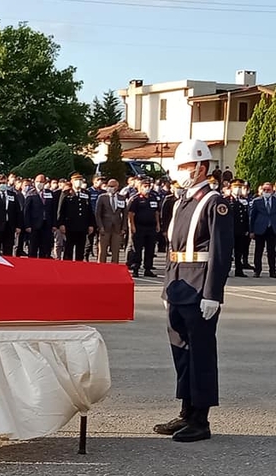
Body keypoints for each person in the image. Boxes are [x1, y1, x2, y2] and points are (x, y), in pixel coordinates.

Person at [156, 139, 232, 443]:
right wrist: (166, 288)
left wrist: (213, 294)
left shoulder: (214, 202)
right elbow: (172, 249)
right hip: (178, 286)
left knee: (200, 354)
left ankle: (201, 420)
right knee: (182, 353)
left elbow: (220, 251)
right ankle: (186, 412)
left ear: (201, 167)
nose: (180, 171)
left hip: (200, 287)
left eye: (184, 166)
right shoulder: (181, 201)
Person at [128, 178, 161, 278]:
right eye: (145, 186)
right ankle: (136, 268)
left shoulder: (153, 198)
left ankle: (148, 268)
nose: (147, 188)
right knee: (137, 249)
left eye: (148, 186)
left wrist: (158, 224)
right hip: (139, 227)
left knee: (150, 249)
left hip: (151, 227)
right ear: (140, 187)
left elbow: (156, 212)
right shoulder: (135, 199)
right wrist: (132, 226)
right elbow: (131, 214)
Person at [58, 173, 95, 262]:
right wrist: (61, 224)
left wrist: (91, 224)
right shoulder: (66, 193)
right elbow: (61, 210)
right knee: (68, 249)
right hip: (70, 226)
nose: (79, 182)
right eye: (76, 180)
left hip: (82, 226)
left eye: (80, 180)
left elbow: (89, 210)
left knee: (80, 250)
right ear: (72, 181)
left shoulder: (86, 193)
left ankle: (79, 267)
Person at [23, 174, 56, 259]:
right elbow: (26, 211)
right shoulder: (31, 193)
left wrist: (54, 224)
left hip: (47, 224)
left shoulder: (50, 193)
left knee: (45, 248)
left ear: (45, 182)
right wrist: (27, 225)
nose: (39, 183)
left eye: (41, 181)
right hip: (34, 225)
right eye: (37, 181)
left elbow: (53, 209)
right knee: (33, 248)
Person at [94, 179, 126, 264]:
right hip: (105, 227)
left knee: (116, 251)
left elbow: (125, 214)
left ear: (117, 187)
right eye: (109, 186)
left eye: (113, 186)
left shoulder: (121, 198)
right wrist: (100, 226)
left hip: (117, 228)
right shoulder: (102, 197)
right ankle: (101, 268)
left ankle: (114, 268)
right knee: (102, 251)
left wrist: (124, 228)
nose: (111, 188)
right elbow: (97, 214)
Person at [248, 182, 276, 278]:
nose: (266, 192)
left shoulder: (275, 201)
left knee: (271, 251)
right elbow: (252, 217)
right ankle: (257, 270)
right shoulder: (257, 201)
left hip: (272, 229)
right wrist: (251, 231)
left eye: (268, 190)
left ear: (272, 191)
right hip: (260, 229)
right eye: (264, 190)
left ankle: (272, 271)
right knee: (258, 250)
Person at [228, 179, 250, 277]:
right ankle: (227, 270)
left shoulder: (243, 200)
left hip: (240, 231)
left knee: (239, 252)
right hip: (230, 230)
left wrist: (246, 229)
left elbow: (245, 217)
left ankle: (239, 270)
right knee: (228, 252)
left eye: (240, 187)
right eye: (236, 187)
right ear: (231, 188)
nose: (238, 189)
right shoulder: (227, 200)